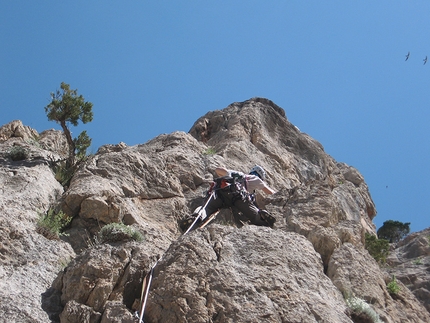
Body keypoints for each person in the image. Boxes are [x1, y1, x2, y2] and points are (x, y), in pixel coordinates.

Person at [180, 165, 276, 231]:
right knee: (252, 212)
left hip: (220, 194)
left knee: (206, 208)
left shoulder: (237, 174)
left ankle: (197, 216)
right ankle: (261, 217)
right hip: (238, 196)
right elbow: (270, 192)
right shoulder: (255, 179)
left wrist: (228, 177)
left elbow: (218, 170)